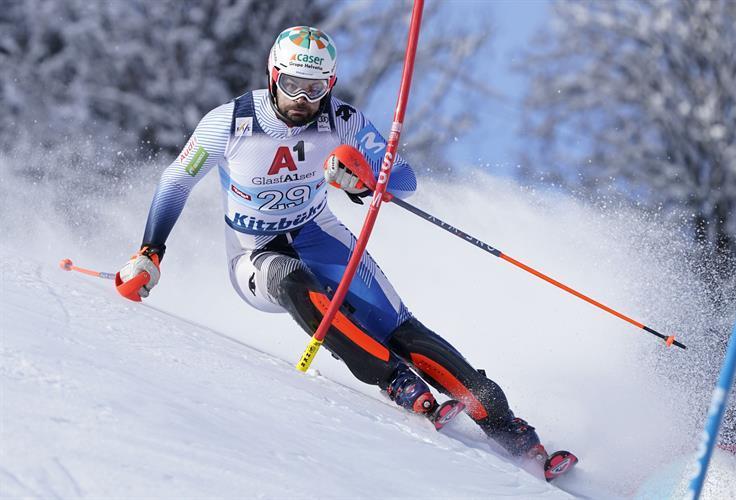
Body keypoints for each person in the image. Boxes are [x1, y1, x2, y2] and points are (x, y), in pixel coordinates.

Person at [118, 25, 546, 463]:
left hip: (317, 234)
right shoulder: (230, 122)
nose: (302, 99)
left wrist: (361, 175)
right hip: (254, 250)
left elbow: (404, 179)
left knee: (395, 324)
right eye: (292, 85)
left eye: (315, 88)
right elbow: (176, 180)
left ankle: (504, 424)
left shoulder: (342, 120)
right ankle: (393, 378)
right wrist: (151, 251)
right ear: (272, 76)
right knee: (290, 277)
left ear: (331, 85)